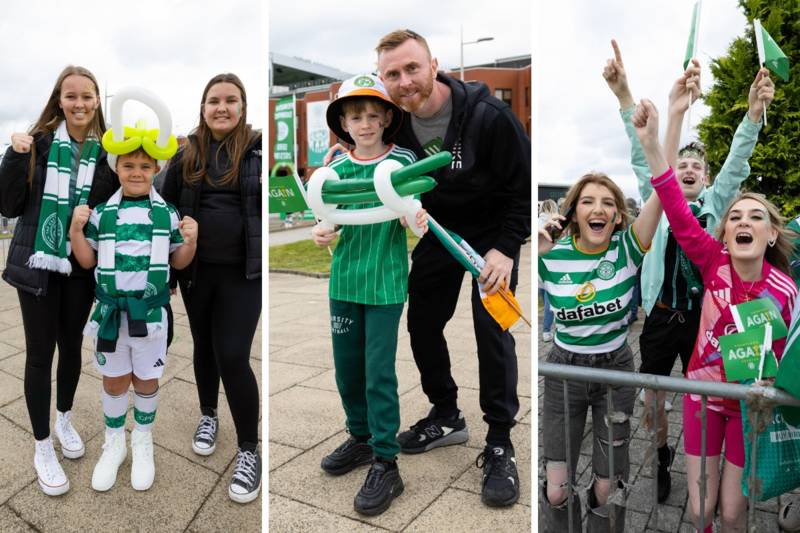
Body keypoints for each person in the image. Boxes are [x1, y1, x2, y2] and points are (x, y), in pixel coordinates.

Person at [603, 39, 775, 502]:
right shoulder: (660, 201)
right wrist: (624, 97)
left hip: (706, 322)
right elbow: (644, 157)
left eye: (698, 165)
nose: (690, 169)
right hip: (661, 315)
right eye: (682, 163)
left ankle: (719, 473)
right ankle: (661, 459)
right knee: (654, 399)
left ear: (706, 176)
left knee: (710, 398)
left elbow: (737, 162)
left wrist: (753, 114)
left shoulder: (718, 209)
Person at [376, 29, 531, 507]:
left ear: (434, 64)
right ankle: (446, 415)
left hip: (493, 236)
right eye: (392, 75)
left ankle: (500, 440)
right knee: (421, 323)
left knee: (493, 330)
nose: (404, 81)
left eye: (411, 68)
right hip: (439, 232)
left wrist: (507, 248)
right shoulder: (393, 125)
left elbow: (522, 188)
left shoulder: (490, 117)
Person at [642, 99, 797, 532]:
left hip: (751, 410)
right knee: (700, 509)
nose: (744, 221)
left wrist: (775, 385)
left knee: (732, 513)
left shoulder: (786, 291)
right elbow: (673, 205)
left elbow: (789, 356)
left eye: (756, 217)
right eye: (735, 216)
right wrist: (652, 144)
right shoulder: (712, 262)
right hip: (702, 402)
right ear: (724, 233)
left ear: (769, 235)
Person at [538, 98, 664, 532]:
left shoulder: (627, 248)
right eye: (588, 201)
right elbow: (492, 283)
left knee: (609, 487)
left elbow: (664, 192)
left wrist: (651, 138)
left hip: (615, 371)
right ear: (573, 211)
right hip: (562, 374)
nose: (599, 209)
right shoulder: (550, 255)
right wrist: (525, 246)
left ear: (617, 214)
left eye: (607, 202)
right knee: (556, 488)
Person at [311, 73, 428, 516]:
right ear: (343, 121)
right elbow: (326, 219)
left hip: (385, 285)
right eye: (355, 116)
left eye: (372, 115)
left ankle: (386, 459)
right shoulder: (335, 171)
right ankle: (359, 438)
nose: (364, 123)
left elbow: (415, 215)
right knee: (347, 369)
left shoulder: (401, 163)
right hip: (344, 283)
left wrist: (410, 219)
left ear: (385, 119)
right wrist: (323, 232)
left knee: (378, 371)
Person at [0, 66, 118, 496]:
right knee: (38, 354)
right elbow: (8, 202)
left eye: (88, 95)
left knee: (71, 348)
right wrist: (13, 156)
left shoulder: (108, 152)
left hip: (80, 266)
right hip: (37, 263)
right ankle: (42, 444)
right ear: (59, 100)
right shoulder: (39, 145)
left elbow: (112, 211)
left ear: (98, 100)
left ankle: (64, 418)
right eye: (71, 96)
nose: (80, 103)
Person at [69, 132, 197, 491]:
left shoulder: (167, 214)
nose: (137, 172)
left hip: (151, 318)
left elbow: (179, 262)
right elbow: (86, 259)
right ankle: (114, 443)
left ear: (156, 168)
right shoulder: (103, 214)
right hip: (111, 316)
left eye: (144, 166)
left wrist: (191, 241)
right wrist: (77, 230)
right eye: (129, 165)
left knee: (146, 378)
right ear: (117, 168)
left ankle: (142, 439)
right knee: (113, 380)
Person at [160, 73, 262, 504]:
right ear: (202, 107)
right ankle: (208, 415)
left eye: (231, 100)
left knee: (233, 355)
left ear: (242, 106)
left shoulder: (259, 149)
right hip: (196, 272)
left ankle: (249, 449)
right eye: (214, 101)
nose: (222, 107)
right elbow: (160, 207)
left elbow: (287, 196)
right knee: (204, 346)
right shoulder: (186, 153)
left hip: (243, 273)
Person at [538, 199, 558, 342]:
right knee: (549, 302)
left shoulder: (537, 221)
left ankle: (547, 328)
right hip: (550, 267)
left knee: (545, 299)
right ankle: (546, 330)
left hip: (538, 268)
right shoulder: (554, 224)